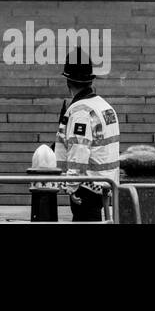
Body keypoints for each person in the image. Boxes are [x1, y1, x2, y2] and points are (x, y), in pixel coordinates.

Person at [53, 49, 120, 221]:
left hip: (87, 187)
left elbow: (79, 151)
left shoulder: (80, 112)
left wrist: (71, 186)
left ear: (68, 81)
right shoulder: (104, 106)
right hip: (105, 183)